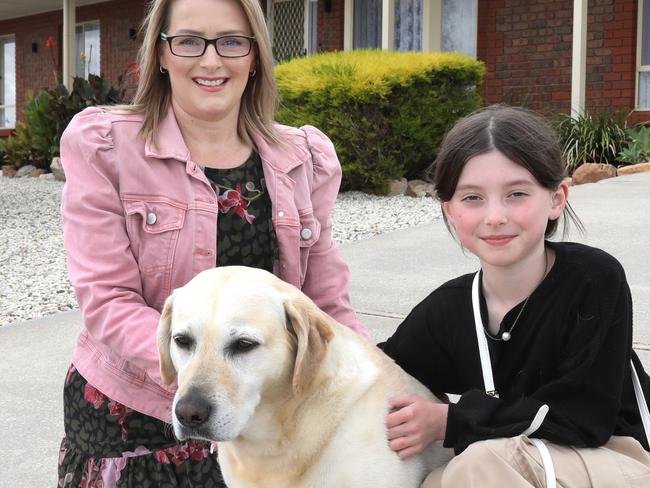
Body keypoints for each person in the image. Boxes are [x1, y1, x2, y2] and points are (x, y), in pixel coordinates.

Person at [57, 0, 368, 485]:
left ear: (254, 56)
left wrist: (373, 387)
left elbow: (325, 305)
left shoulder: (305, 158)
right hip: (135, 418)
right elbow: (107, 301)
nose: (210, 60)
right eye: (188, 41)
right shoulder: (105, 145)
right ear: (160, 53)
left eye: (230, 41)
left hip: (261, 417)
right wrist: (199, 377)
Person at [380, 105, 650, 487]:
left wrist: (450, 420)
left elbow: (583, 415)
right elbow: (376, 367)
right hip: (512, 461)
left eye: (517, 194)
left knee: (477, 466)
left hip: (619, 456)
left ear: (556, 198)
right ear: (450, 211)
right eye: (472, 198)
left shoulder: (593, 280)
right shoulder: (450, 308)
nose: (494, 216)